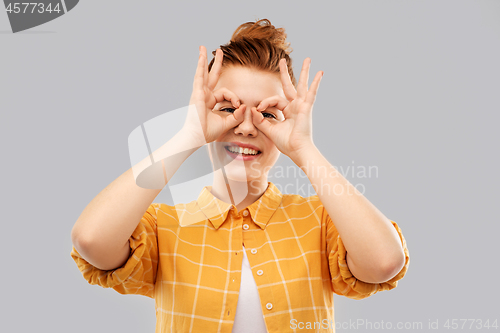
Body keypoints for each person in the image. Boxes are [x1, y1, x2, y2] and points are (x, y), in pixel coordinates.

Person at [70, 18, 410, 333]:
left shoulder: (318, 223)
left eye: (268, 114)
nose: (246, 127)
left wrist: (304, 148)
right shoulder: (166, 227)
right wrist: (188, 136)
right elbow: (91, 240)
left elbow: (384, 262)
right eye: (229, 109)